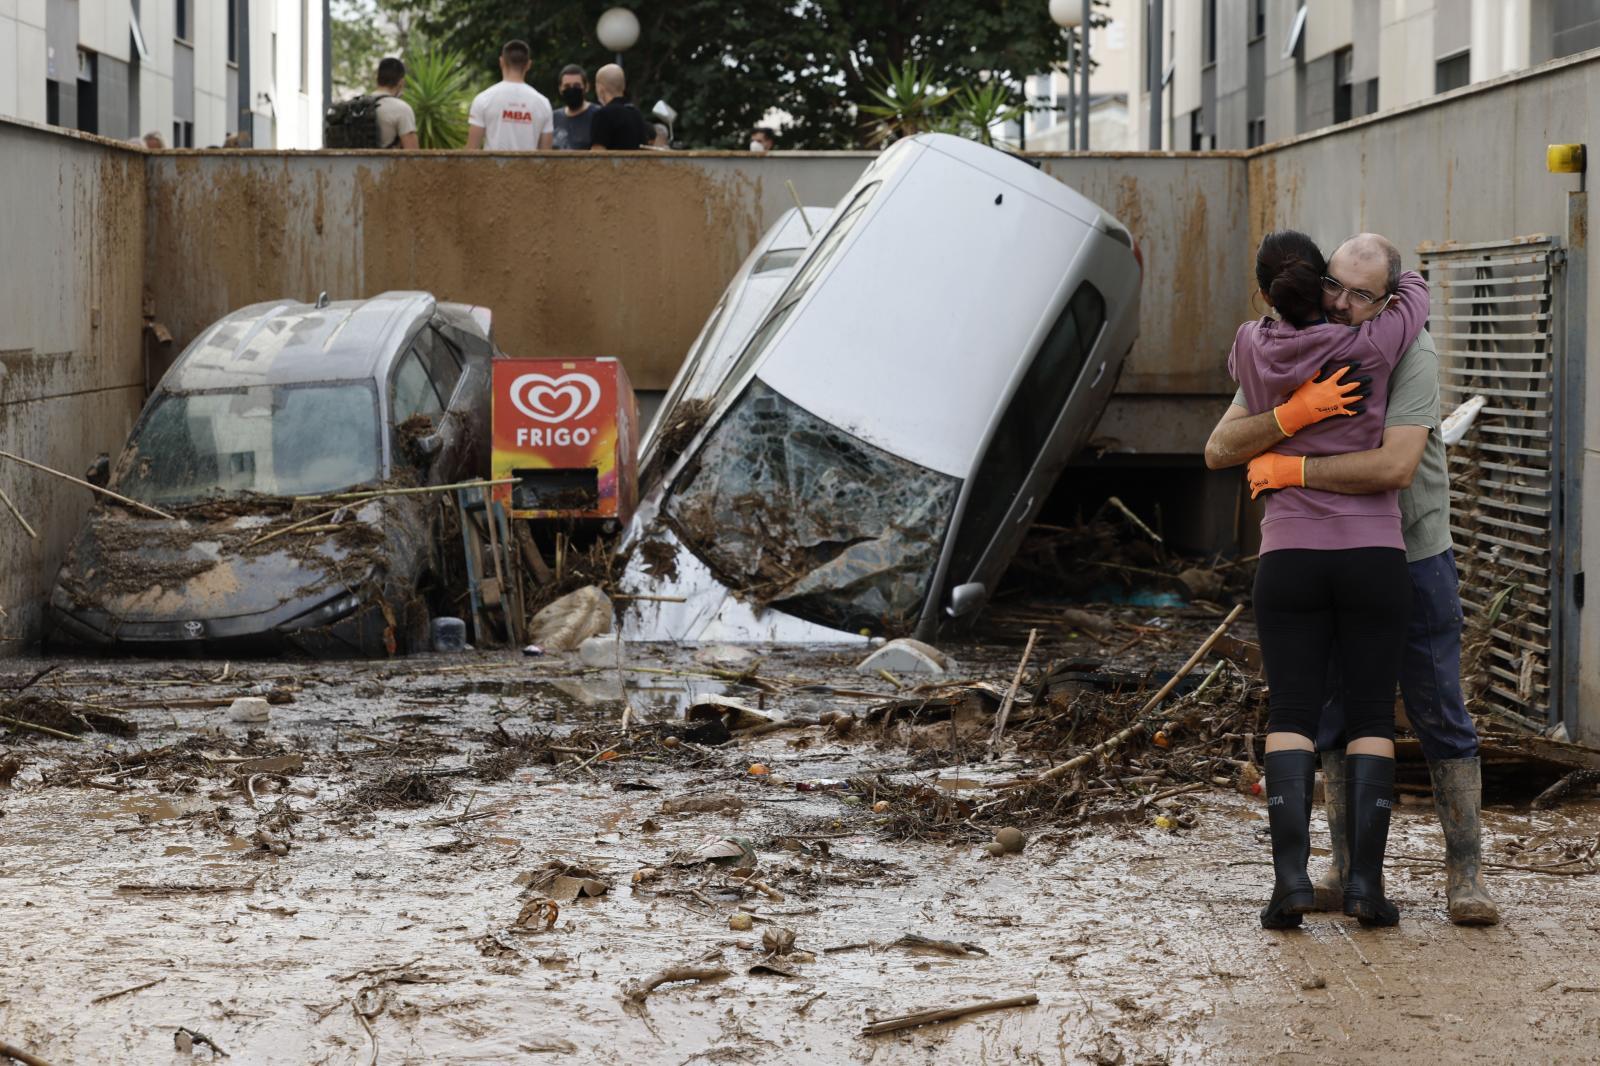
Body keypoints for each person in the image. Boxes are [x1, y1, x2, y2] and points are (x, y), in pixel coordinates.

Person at [1206, 233, 1499, 927]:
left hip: (1414, 550)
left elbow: (1394, 467)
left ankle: (1466, 875)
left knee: (1437, 709)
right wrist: (1291, 414)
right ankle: (1345, 870)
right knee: (1340, 713)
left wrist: (1292, 467)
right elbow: (1222, 444)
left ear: (1388, 299)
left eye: (1359, 294)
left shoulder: (1408, 350)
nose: (1339, 301)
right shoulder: (1326, 336)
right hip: (1359, 555)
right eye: (1331, 284)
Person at [1228, 230, 1429, 930]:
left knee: (1291, 714)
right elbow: (1416, 299)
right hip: (1373, 554)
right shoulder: (1372, 346)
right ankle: (1366, 889)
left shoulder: (1249, 346)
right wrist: (1406, 281)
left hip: (1289, 556)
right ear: (1319, 286)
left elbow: (1231, 433)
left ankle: (1291, 887)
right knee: (1372, 716)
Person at [467, 40, 554, 151]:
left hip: (493, 168)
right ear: (528, 65)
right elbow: (546, 155)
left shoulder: (483, 99)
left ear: (501, 62)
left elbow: (471, 151)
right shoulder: (543, 103)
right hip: (530, 168)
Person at [588, 63, 652, 151]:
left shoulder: (602, 115)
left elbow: (597, 154)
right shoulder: (636, 113)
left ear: (600, 88)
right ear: (623, 86)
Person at [374, 57, 418, 150]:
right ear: (401, 82)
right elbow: (413, 154)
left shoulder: (356, 106)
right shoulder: (402, 109)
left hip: (352, 164)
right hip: (387, 164)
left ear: (377, 79)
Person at [551, 64, 598, 150]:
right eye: (567, 86)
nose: (571, 89)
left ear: (586, 87)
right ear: (560, 89)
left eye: (577, 86)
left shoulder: (598, 115)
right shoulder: (553, 117)